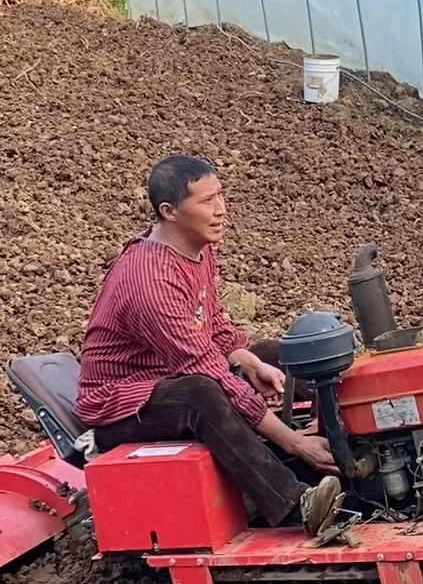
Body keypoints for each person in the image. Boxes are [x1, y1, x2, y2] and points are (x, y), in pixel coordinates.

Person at [73, 154, 345, 537]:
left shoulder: (197, 248)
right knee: (200, 394)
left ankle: (343, 444)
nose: (220, 210)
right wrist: (295, 442)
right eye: (206, 201)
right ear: (169, 211)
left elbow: (213, 323)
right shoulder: (151, 283)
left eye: (220, 196)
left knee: (273, 353)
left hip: (170, 373)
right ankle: (293, 503)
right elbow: (205, 368)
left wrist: (249, 360)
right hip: (121, 404)